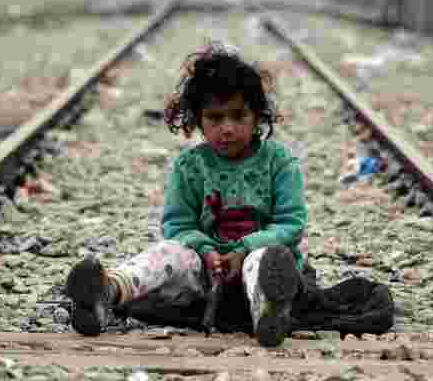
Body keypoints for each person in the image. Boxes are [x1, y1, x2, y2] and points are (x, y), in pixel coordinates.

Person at [66, 42, 309, 348]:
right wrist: (205, 250)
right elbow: (178, 226)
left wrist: (246, 248)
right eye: (215, 118)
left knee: (265, 260)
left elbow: (291, 224)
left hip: (254, 261)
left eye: (238, 116)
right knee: (167, 251)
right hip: (204, 272)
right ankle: (106, 293)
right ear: (197, 121)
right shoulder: (190, 167)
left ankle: (269, 312)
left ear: (258, 116)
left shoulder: (279, 162)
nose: (228, 128)